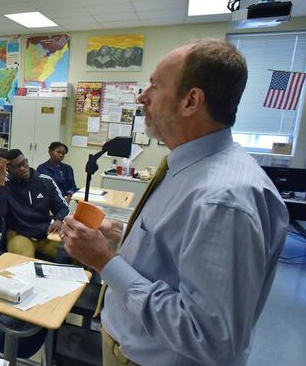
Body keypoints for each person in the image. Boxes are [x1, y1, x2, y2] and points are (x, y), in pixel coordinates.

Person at [60, 40, 288, 366]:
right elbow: (174, 254)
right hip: (125, 344)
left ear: (191, 101)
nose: (142, 97)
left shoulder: (223, 200)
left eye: (155, 85)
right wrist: (121, 236)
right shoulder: (185, 167)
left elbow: (209, 337)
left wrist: (104, 261)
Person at [0, 149, 69, 260]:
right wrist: (1, 178)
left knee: (74, 254)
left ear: (27, 161)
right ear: (9, 169)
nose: (22, 168)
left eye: (24, 163)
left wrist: (59, 220)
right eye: (17, 166)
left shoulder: (45, 181)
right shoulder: (3, 185)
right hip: (19, 235)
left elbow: (63, 208)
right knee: (25, 263)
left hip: (46, 235)